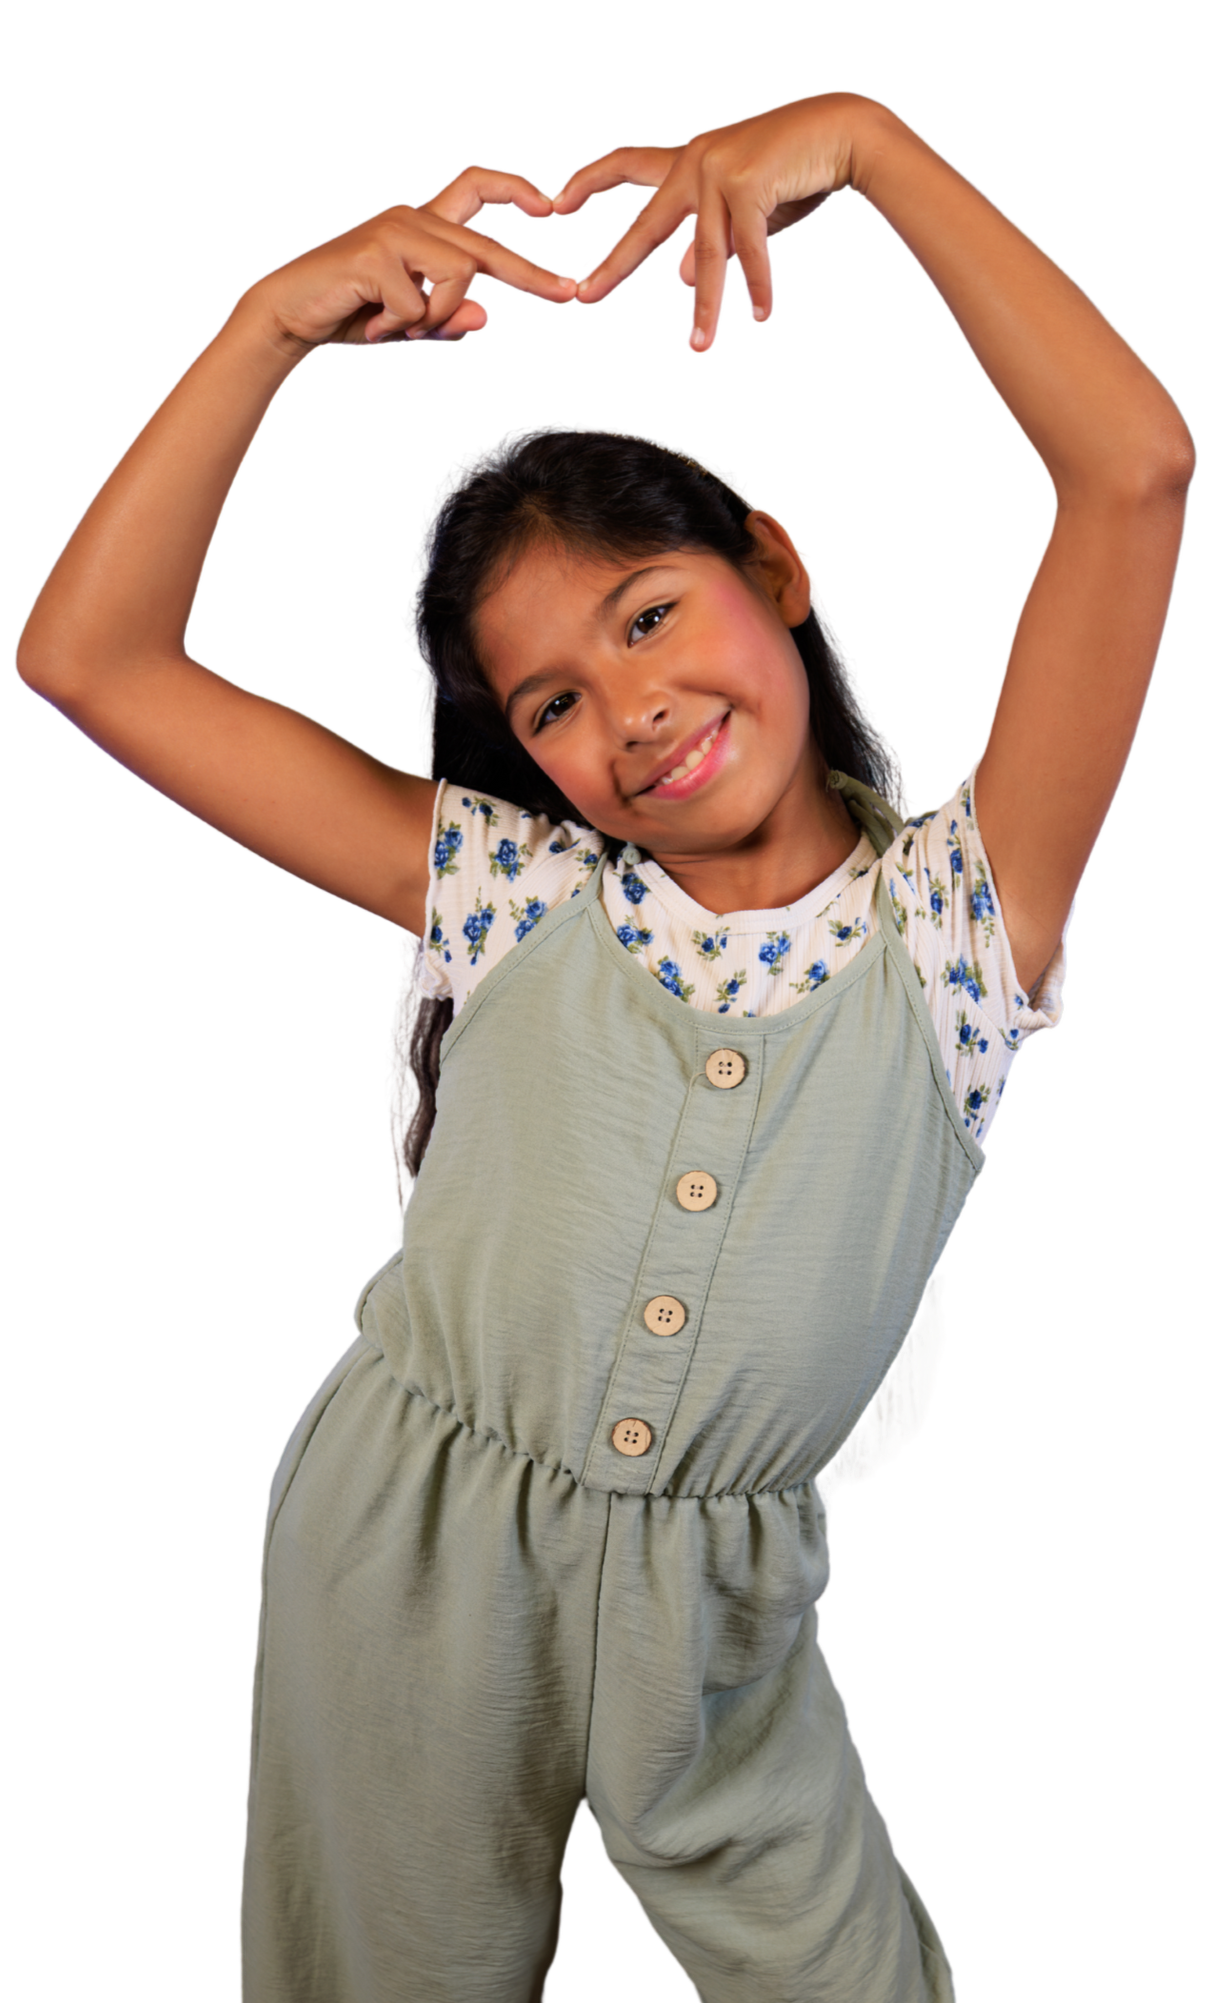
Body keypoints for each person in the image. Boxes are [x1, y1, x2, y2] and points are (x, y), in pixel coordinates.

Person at [15, 89, 1195, 2003]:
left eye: (654, 616)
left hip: (721, 1619)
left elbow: (1134, 468)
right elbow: (92, 663)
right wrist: (264, 326)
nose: (630, 711)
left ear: (777, 571)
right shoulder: (509, 889)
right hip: (402, 1538)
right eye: (556, 698)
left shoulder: (960, 931)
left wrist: (868, 147)